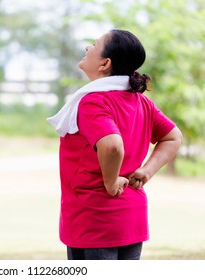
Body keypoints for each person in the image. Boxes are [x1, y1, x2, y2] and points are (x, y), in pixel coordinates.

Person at [47, 29, 183, 260]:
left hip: (95, 220)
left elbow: (112, 145)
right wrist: (146, 171)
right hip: (131, 218)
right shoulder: (141, 102)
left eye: (95, 44)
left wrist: (110, 183)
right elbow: (173, 137)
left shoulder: (94, 101)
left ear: (105, 64)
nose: (87, 47)